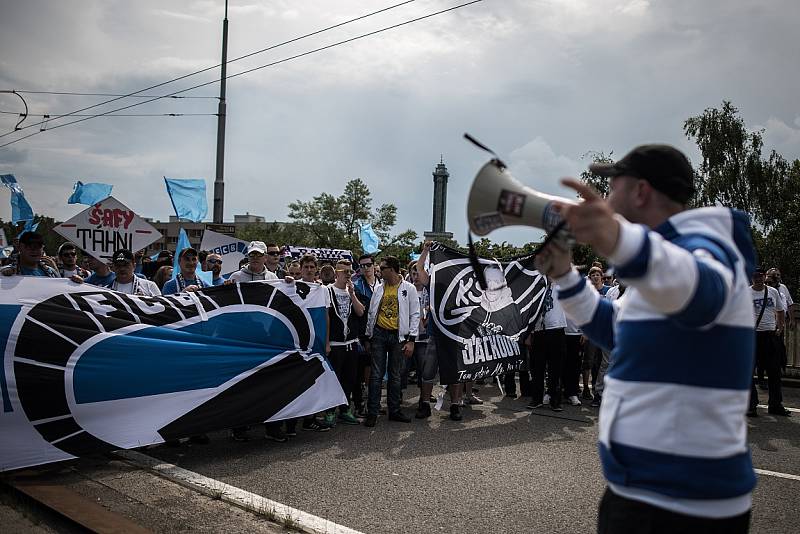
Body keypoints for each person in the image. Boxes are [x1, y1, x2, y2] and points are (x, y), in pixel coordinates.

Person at [535, 144, 755, 532]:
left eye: (611, 187)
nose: (605, 198)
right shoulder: (660, 263)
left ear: (640, 192)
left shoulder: (708, 247)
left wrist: (619, 239)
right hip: (644, 493)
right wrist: (566, 276)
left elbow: (702, 292)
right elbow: (613, 331)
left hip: (682, 506)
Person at [363, 255, 419, 427]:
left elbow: (415, 314)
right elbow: (372, 313)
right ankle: (372, 412)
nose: (380, 270)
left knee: (395, 375)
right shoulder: (379, 289)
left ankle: (394, 410)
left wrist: (411, 340)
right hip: (379, 334)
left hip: (398, 336)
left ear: (392, 269)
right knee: (376, 375)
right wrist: (368, 336)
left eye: (383, 268)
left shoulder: (408, 289)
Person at [324, 259, 365, 426]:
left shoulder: (351, 291)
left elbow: (361, 312)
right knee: (334, 378)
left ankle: (345, 408)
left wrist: (352, 293)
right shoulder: (327, 290)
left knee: (349, 378)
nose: (348, 275)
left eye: (350, 272)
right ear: (337, 273)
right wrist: (326, 342)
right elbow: (326, 317)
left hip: (351, 342)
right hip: (335, 344)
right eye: (344, 272)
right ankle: (330, 410)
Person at [748, 268, 788, 417]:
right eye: (755, 276)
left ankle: (775, 405)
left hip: (770, 336)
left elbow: (780, 310)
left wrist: (781, 326)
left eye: (760, 276)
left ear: (764, 277)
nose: (758, 279)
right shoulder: (746, 293)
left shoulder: (772, 291)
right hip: (753, 336)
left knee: (774, 373)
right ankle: (751, 405)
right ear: (751, 278)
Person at [527, 278, 567, 412]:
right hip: (539, 330)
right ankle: (536, 398)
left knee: (555, 368)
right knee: (537, 368)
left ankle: (555, 399)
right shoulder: (536, 287)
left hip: (556, 329)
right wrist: (529, 332)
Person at [352, 254, 381, 417]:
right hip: (362, 334)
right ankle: (359, 404)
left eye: (368, 265)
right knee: (359, 370)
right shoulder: (356, 285)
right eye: (362, 266)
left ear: (373, 265)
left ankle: (373, 403)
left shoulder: (382, 284)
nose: (365, 268)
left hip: (380, 333)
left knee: (374, 371)